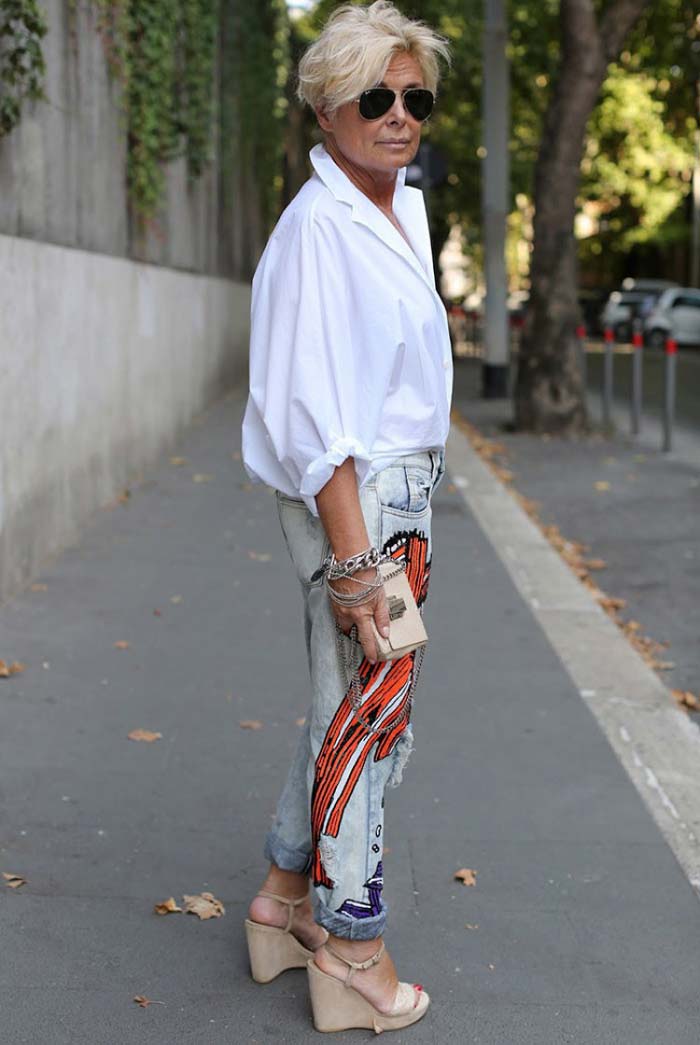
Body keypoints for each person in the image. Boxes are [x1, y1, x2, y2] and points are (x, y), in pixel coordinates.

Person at [241, 1, 452, 1033]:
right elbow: (311, 415)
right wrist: (356, 560)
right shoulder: (318, 229)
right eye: (376, 96)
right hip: (360, 504)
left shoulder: (395, 206)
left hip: (396, 495)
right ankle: (353, 947)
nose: (399, 113)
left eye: (415, 96)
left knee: (354, 707)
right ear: (328, 109)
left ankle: (282, 903)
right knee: (374, 723)